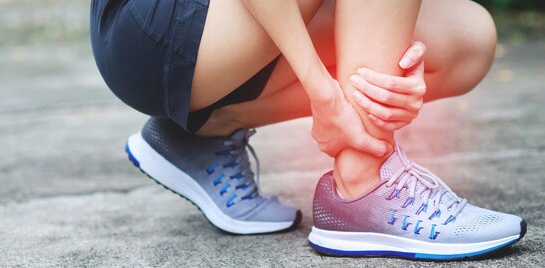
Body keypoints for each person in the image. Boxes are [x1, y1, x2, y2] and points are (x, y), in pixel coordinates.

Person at [90, 0, 526, 259]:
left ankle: (209, 128)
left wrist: (398, 60)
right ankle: (363, 184)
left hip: (223, 25)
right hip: (154, 26)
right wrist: (321, 87)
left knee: (467, 40)